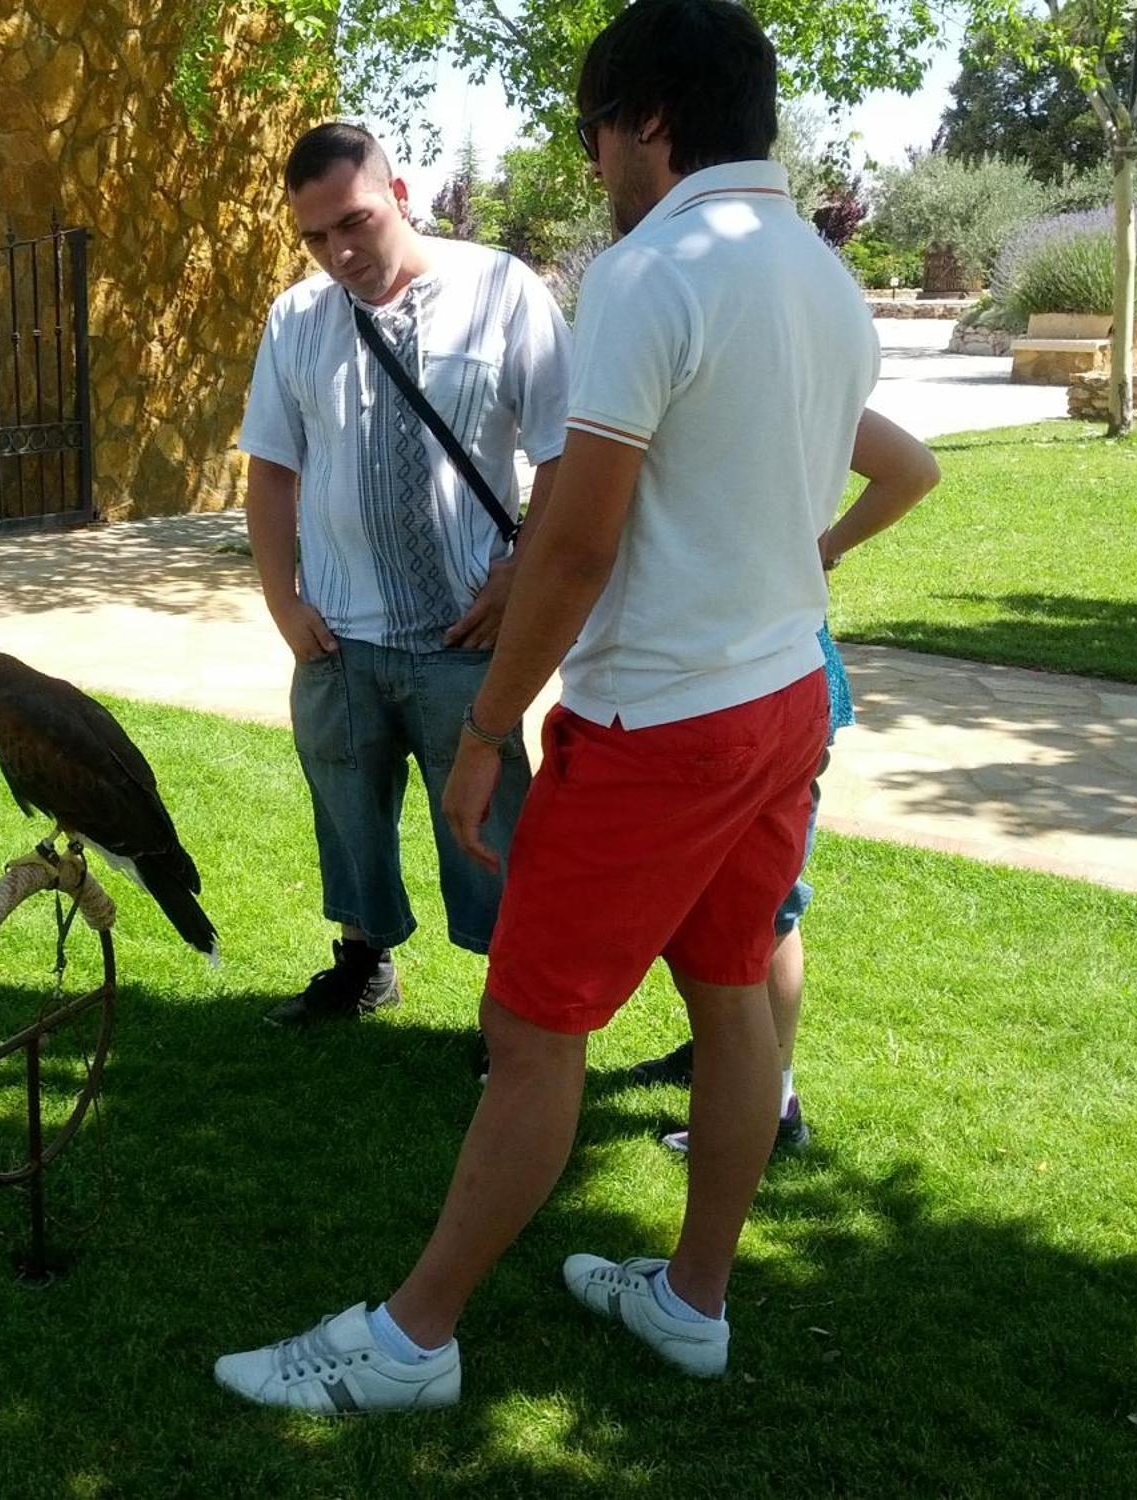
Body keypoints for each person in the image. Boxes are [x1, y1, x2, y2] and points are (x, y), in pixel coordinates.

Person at [216, 0, 881, 1410]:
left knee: (529, 1034)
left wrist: (481, 730)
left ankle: (409, 1343)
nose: (592, 165)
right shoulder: (822, 277)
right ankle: (694, 1300)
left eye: (593, 133)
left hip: (657, 727)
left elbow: (573, 546)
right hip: (779, 701)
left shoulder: (654, 268)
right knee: (733, 999)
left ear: (646, 118)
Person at [239, 121, 571, 1027]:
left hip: (466, 634)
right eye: (314, 236)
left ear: (400, 194)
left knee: (490, 830)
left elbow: (567, 455)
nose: (338, 252)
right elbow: (271, 468)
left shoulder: (501, 289)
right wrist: (281, 599)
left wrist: (517, 575)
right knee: (347, 813)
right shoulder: (296, 319)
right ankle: (362, 963)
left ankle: (514, 1010)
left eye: (354, 221)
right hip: (339, 636)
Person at [633, 410, 941, 1153]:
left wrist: (825, 548)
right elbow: (911, 469)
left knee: (766, 902)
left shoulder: (787, 380)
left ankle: (769, 1098)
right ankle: (735, 1060)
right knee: (740, 898)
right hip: (761, 669)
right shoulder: (780, 370)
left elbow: (914, 469)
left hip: (765, 677)